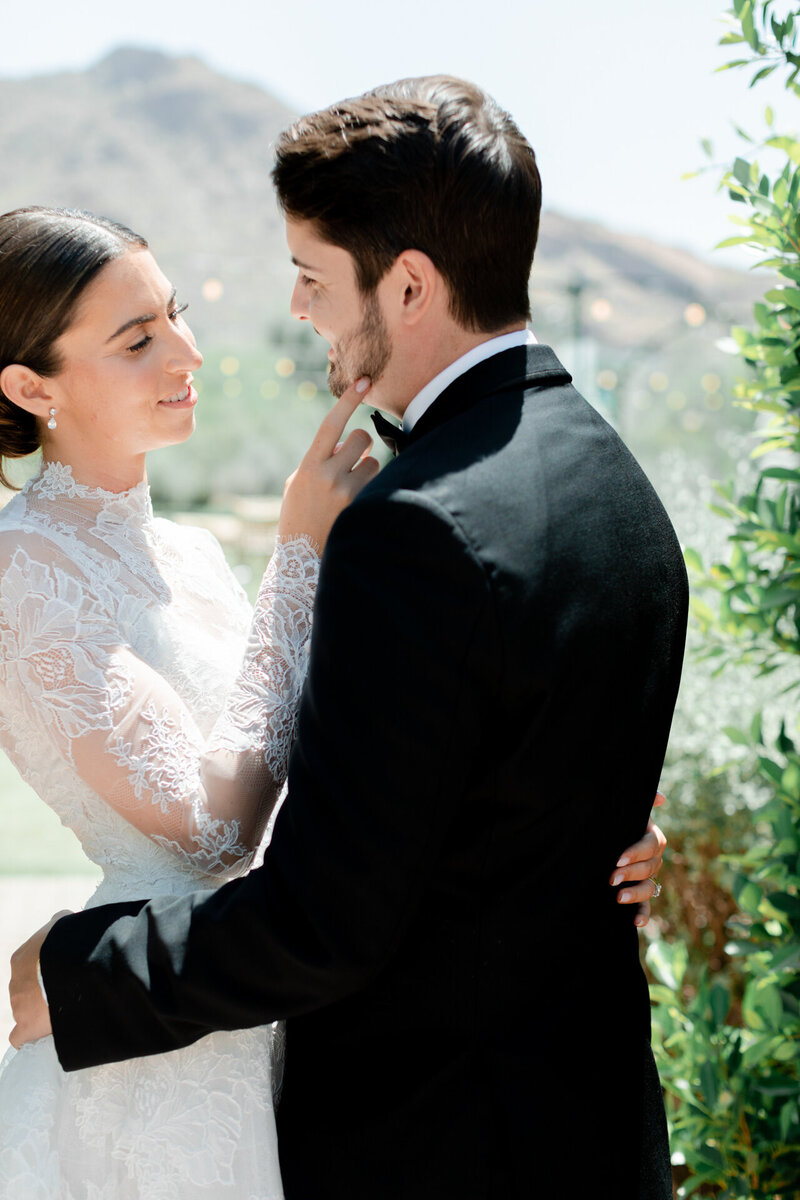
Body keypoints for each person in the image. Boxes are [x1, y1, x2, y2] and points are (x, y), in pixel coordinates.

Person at [8, 76, 687, 1200]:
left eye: (313, 280)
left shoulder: (416, 527)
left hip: (438, 1134)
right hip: (569, 1118)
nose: (291, 313)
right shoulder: (610, 480)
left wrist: (83, 978)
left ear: (408, 283)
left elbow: (330, 915)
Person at [0, 204, 381, 1198]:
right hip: (139, 1041)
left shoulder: (193, 553)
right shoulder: (21, 570)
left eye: (175, 316)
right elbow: (212, 834)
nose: (190, 352)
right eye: (140, 339)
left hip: (256, 1004)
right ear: (33, 387)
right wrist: (299, 556)